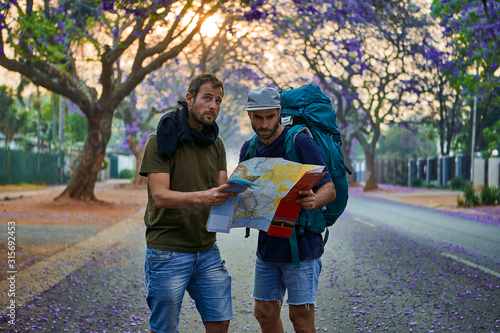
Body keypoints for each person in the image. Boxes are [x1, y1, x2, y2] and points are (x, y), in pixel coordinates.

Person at [139, 73, 237, 333]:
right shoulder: (161, 139)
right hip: (168, 250)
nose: (213, 105)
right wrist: (206, 196)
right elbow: (160, 196)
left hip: (207, 249)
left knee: (220, 320)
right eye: (207, 98)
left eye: (218, 100)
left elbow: (222, 190)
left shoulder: (217, 144)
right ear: (190, 98)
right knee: (165, 328)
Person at [239, 87, 336, 333]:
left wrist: (315, 200)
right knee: (264, 313)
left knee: (301, 319)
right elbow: (245, 194)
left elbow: (329, 188)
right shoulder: (248, 149)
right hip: (268, 245)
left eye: (270, 117)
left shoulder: (299, 141)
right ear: (249, 115)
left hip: (301, 246)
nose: (264, 124)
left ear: (279, 113)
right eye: (258, 118)